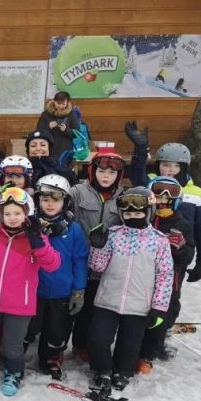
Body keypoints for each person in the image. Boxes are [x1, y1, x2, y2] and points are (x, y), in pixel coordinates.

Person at [0, 187, 60, 396]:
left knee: (11, 347)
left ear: (27, 213)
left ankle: (13, 373)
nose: (12, 218)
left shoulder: (36, 239)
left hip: (20, 304)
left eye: (17, 213)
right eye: (7, 213)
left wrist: (38, 242)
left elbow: (53, 265)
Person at [87, 187, 173, 391]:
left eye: (137, 213)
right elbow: (97, 267)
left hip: (139, 303)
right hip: (108, 299)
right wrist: (98, 247)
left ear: (149, 213)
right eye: (127, 213)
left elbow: (165, 275)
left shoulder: (159, 241)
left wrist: (159, 307)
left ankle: (122, 371)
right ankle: (102, 370)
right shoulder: (114, 235)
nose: (132, 217)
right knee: (98, 338)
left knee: (130, 343)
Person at [127, 124, 201, 286]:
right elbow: (136, 176)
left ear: (184, 167)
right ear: (158, 165)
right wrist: (140, 149)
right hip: (147, 252)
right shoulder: (151, 184)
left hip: (178, 253)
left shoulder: (196, 193)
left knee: (170, 295)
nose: (171, 170)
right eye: (166, 164)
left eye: (177, 165)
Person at [22, 174, 89, 379]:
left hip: (62, 290)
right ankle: (16, 357)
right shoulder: (29, 228)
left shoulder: (74, 230)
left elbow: (79, 260)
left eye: (56, 200)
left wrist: (78, 290)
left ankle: (50, 358)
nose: (50, 204)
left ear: (65, 202)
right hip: (34, 289)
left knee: (56, 329)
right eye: (45, 199)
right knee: (29, 327)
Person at [69, 151, 125, 362]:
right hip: (78, 260)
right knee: (73, 306)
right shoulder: (78, 192)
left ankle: (83, 344)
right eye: (101, 171)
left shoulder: (122, 198)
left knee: (93, 308)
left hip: (105, 265)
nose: (106, 176)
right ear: (93, 171)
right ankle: (64, 344)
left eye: (112, 173)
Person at [137, 177, 195, 374]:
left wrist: (180, 248)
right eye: (158, 195)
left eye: (168, 196)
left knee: (161, 318)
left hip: (169, 283)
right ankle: (133, 349)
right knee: (138, 316)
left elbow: (188, 256)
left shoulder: (182, 224)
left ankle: (148, 355)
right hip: (142, 278)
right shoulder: (143, 218)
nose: (163, 200)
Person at [0, 155, 35, 232]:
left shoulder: (32, 197)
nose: (14, 180)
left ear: (27, 179)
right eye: (9, 177)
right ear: (3, 179)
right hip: (1, 236)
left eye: (19, 177)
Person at [36, 91, 81, 159]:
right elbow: (38, 132)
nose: (60, 106)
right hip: (48, 150)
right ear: (54, 101)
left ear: (67, 103)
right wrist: (48, 127)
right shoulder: (45, 114)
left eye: (63, 104)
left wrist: (66, 130)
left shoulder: (71, 114)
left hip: (65, 150)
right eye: (58, 103)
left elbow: (77, 133)